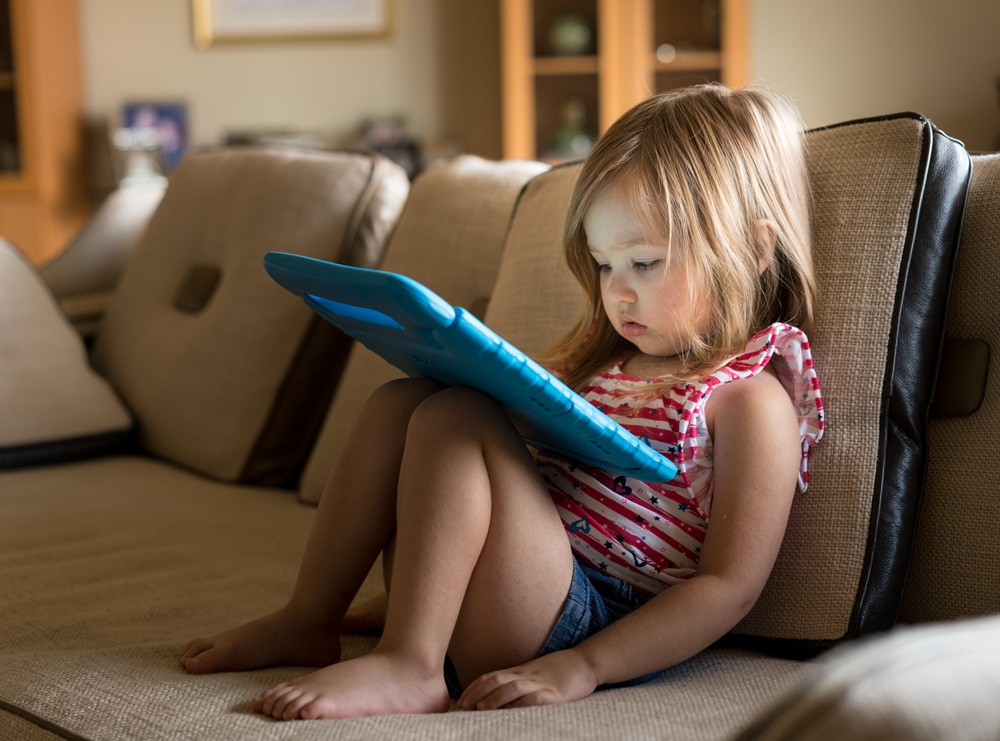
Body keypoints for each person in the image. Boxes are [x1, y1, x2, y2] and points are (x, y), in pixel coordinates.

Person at [180, 83, 824, 720]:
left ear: (756, 248)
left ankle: (414, 665)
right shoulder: (605, 365)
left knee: (457, 418)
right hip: (505, 585)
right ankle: (308, 618)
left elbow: (728, 589)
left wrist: (586, 665)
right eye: (604, 265)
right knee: (403, 400)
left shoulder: (749, 401)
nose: (618, 293)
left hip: (576, 624)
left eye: (646, 263)